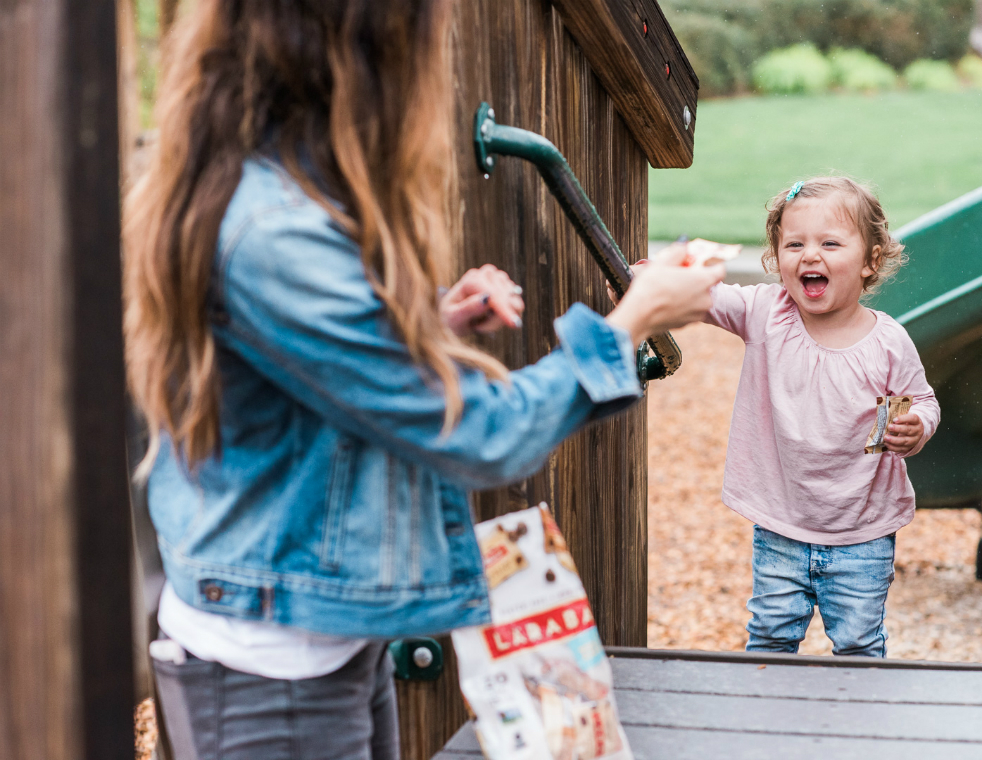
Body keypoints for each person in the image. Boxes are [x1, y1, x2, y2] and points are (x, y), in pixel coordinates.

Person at [121, 2, 723, 758]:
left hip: (324, 629)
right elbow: (482, 436)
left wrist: (423, 325)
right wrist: (629, 323)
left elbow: (294, 368)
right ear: (357, 58)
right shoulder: (274, 230)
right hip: (271, 670)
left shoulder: (272, 184)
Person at [653, 177, 939, 657]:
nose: (810, 255)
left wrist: (916, 427)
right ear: (776, 257)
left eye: (830, 243)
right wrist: (656, 277)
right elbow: (709, 299)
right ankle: (765, 724)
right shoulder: (768, 314)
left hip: (863, 530)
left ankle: (856, 726)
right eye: (794, 244)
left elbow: (920, 401)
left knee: (858, 644)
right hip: (781, 524)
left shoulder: (889, 343)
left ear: (870, 261)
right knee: (769, 638)